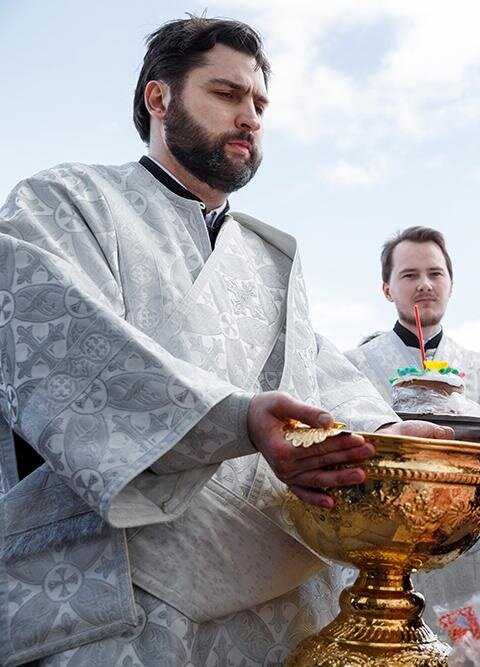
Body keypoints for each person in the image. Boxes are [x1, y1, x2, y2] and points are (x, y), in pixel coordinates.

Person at [0, 17, 446, 665]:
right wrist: (234, 419)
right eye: (227, 95)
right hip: (123, 598)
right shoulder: (66, 203)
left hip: (273, 600)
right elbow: (63, 351)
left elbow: (317, 379)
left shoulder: (271, 257)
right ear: (159, 98)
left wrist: (393, 437)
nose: (250, 117)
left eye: (260, 103)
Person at [344, 226, 480, 610]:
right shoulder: (351, 369)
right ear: (387, 288)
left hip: (469, 560)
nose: (424, 285)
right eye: (409, 275)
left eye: (435, 273)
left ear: (451, 284)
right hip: (378, 553)